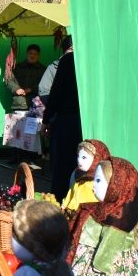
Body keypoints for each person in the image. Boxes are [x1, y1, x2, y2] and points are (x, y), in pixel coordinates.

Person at [44, 36, 81, 197]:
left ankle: (60, 202)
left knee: (62, 165)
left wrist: (46, 120)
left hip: (67, 121)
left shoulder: (68, 60)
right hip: (87, 121)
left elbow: (56, 93)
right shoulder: (95, 58)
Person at [7, 44, 46, 111]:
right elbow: (8, 79)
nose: (32, 56)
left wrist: (31, 89)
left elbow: (46, 85)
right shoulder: (17, 67)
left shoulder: (43, 70)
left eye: (35, 54)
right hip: (19, 104)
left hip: (37, 106)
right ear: (27, 54)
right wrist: (16, 89)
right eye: (30, 53)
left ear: (38, 55)